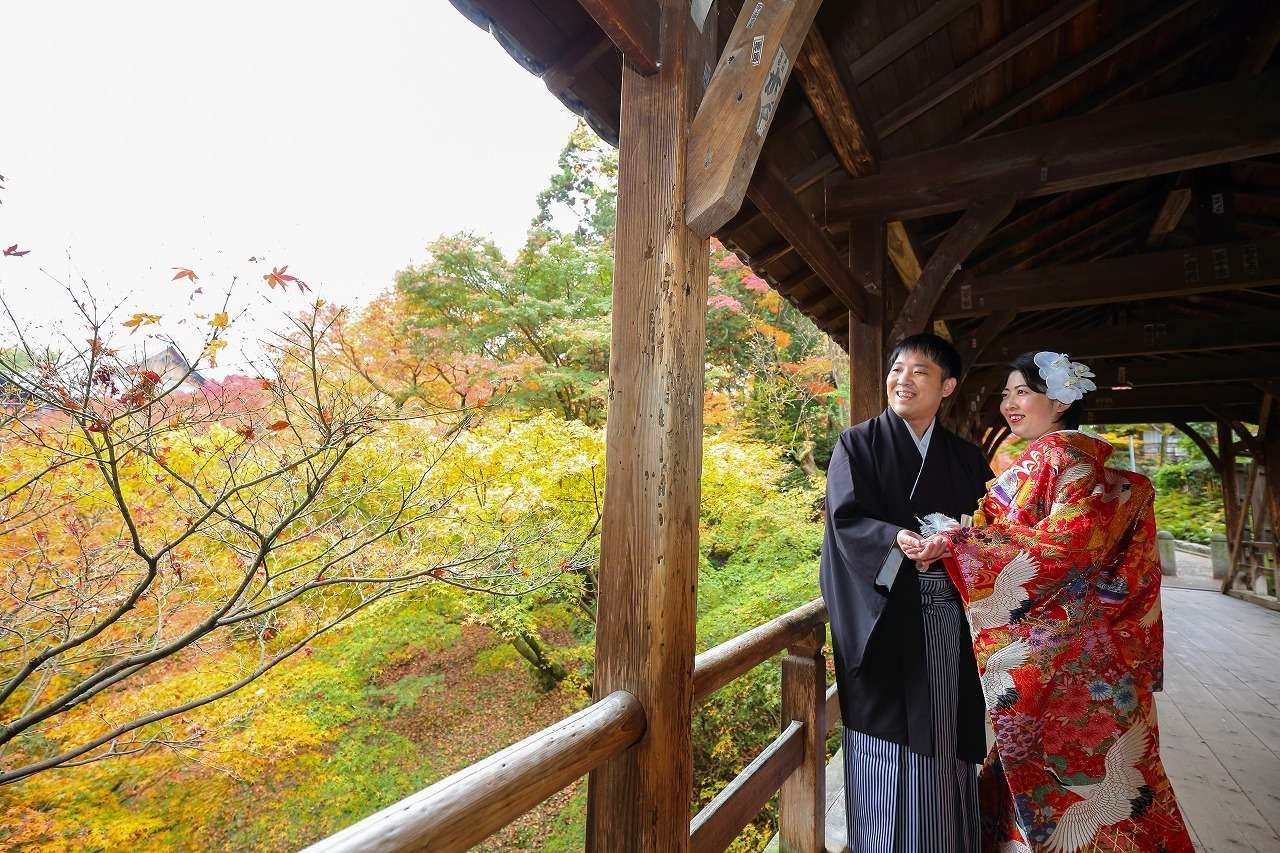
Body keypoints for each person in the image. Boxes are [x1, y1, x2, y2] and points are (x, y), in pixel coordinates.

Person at [911, 351, 1194, 852]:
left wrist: (959, 543)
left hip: (1065, 659)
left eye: (1023, 391)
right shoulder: (1079, 462)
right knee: (1103, 779)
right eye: (1005, 393)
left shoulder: (1062, 457)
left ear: (1060, 400)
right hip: (1093, 651)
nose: (1009, 404)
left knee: (1068, 775)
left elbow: (1066, 548)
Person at [820, 333, 992, 853]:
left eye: (920, 371)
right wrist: (892, 538)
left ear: (948, 387)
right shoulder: (858, 443)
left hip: (949, 618)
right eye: (897, 369)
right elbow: (844, 520)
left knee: (945, 733)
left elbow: (994, 528)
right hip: (885, 618)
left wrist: (957, 544)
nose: (903, 379)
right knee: (886, 742)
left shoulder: (965, 458)